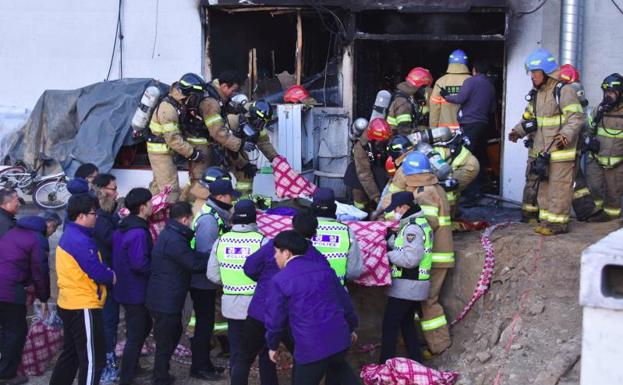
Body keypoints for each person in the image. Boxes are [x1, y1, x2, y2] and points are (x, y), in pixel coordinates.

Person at [230, 211, 325, 385]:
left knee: (245, 357)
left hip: (262, 310)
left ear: (293, 226)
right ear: (315, 233)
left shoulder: (275, 245)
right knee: (301, 357)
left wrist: (265, 284)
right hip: (293, 315)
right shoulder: (316, 257)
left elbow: (249, 266)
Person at [379, 151, 453, 354]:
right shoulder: (434, 187)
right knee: (412, 310)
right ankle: (415, 350)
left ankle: (439, 346)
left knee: (428, 303)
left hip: (434, 257)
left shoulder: (425, 193)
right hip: (433, 255)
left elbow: (426, 225)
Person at [266, 230, 360, 385]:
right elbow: (345, 304)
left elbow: (275, 318)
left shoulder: (280, 280)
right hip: (339, 340)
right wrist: (350, 328)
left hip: (311, 346)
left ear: (287, 253)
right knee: (340, 372)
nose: (274, 256)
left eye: (277, 252)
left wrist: (273, 345)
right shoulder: (326, 270)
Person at [508, 48, 585, 235]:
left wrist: (565, 135)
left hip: (561, 151)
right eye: (531, 73)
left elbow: (576, 117)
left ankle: (558, 224)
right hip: (543, 151)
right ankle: (546, 221)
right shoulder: (537, 94)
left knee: (559, 188)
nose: (532, 76)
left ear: (546, 71)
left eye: (535, 72)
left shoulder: (564, 90)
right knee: (544, 187)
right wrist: (517, 132)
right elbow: (530, 119)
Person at [50, 194, 116, 385]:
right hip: (83, 305)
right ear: (81, 216)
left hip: (69, 303)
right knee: (93, 360)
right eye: (93, 213)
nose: (96, 217)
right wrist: (111, 275)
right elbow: (97, 271)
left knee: (71, 354)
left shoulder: (71, 234)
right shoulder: (80, 240)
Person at [146, 202, 209, 385]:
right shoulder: (175, 239)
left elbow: (190, 257)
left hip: (166, 296)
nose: (190, 224)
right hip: (165, 298)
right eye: (190, 220)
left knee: (173, 333)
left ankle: (162, 374)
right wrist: (215, 258)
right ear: (184, 219)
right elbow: (193, 264)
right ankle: (160, 378)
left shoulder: (172, 234)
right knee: (166, 340)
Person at [207, 200, 270, 377]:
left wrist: (229, 283)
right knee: (265, 353)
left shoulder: (221, 241)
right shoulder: (263, 242)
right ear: (254, 219)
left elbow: (212, 274)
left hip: (232, 307)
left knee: (237, 353)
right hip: (258, 308)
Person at [189, 179, 240, 380]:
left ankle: (205, 364)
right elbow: (207, 254)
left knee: (207, 323)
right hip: (202, 282)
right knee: (204, 325)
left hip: (206, 281)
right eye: (229, 196)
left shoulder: (217, 214)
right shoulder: (209, 221)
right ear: (219, 197)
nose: (232, 199)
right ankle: (200, 367)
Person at [379, 192, 432, 363]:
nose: (394, 213)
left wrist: (386, 255)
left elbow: (410, 259)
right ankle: (416, 362)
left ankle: (385, 365)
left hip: (407, 286)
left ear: (405, 207)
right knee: (407, 324)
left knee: (390, 325)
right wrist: (390, 239)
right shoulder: (414, 224)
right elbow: (404, 246)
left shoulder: (413, 229)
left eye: (396, 209)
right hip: (412, 286)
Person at [0, 215, 53, 385]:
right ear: (49, 226)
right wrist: (44, 297)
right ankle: (7, 374)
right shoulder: (37, 239)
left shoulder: (13, 232)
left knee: (5, 328)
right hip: (10, 290)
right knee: (16, 331)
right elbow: (40, 272)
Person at [112, 188, 154, 385]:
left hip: (126, 287)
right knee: (136, 333)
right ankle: (127, 376)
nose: (153, 206)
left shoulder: (124, 227)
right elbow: (140, 264)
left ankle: (132, 366)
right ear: (142, 207)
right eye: (150, 203)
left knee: (142, 327)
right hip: (135, 290)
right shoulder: (138, 232)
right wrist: (158, 270)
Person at [440, 60, 496, 201]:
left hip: (470, 125)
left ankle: (469, 194)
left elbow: (461, 98)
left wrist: (446, 95)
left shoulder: (471, 82)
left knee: (464, 159)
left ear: (474, 70)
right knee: (478, 157)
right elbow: (493, 109)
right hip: (483, 125)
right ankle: (479, 190)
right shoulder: (490, 85)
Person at [147, 73, 207, 202]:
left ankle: (154, 215)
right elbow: (172, 138)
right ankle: (170, 218)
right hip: (161, 152)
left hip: (165, 150)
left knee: (159, 186)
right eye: (195, 96)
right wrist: (192, 153)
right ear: (188, 94)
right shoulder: (168, 109)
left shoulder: (177, 103)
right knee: (170, 189)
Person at [92, 174, 121, 384]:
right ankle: (106, 365)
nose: (116, 193)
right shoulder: (100, 218)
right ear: (102, 190)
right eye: (113, 189)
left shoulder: (106, 214)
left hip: (107, 276)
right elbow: (111, 240)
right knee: (107, 323)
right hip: (103, 279)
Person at [585, 73, 623, 221]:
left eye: (612, 92)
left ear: (620, 94)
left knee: (613, 196)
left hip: (618, 165)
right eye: (606, 92)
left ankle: (611, 226)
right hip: (596, 161)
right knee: (594, 188)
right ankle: (596, 216)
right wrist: (589, 141)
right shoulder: (598, 111)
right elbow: (588, 130)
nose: (608, 96)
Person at [225, 100, 280, 197]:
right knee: (220, 181)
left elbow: (264, 142)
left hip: (236, 151)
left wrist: (276, 159)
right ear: (253, 116)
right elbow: (223, 139)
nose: (261, 126)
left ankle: (240, 205)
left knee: (246, 176)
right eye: (260, 122)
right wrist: (240, 147)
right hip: (220, 151)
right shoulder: (234, 118)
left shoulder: (258, 124)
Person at [310, 188, 363, 285]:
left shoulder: (301, 228)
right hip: (336, 291)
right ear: (334, 208)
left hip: (305, 291)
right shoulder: (346, 231)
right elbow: (354, 271)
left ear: (312, 207)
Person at [343, 118, 392, 212]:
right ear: (372, 138)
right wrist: (377, 198)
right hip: (361, 174)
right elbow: (364, 175)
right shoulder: (360, 148)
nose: (382, 143)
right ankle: (361, 213)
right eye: (380, 141)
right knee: (359, 194)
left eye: (385, 140)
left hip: (380, 170)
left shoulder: (387, 138)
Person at [429, 49, 472, 132]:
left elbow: (435, 109)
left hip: (445, 132)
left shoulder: (440, 82)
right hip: (466, 130)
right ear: (466, 62)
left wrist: (433, 130)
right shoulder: (472, 81)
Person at [386, 67, 434, 135]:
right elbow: (404, 130)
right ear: (420, 87)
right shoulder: (404, 102)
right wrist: (424, 131)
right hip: (395, 139)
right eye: (425, 87)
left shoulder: (408, 95)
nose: (426, 91)